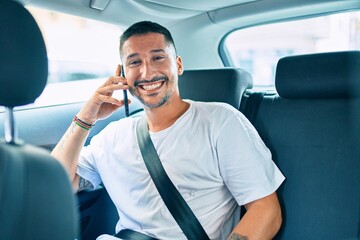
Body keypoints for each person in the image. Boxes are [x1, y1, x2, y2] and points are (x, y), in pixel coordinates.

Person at [51, 21, 285, 240]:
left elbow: (265, 210)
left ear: (178, 65)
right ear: (122, 74)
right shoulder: (111, 137)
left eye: (158, 57)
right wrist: (85, 118)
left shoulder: (220, 121)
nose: (147, 72)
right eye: (134, 62)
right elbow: (55, 183)